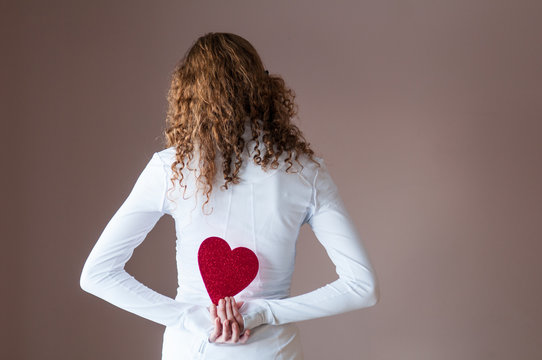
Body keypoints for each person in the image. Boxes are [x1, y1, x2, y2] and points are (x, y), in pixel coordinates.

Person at [80, 32, 380, 360]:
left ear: (188, 94)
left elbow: (97, 274)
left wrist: (189, 316)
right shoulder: (304, 171)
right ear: (260, 87)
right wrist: (265, 313)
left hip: (190, 350)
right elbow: (362, 287)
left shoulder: (170, 168)